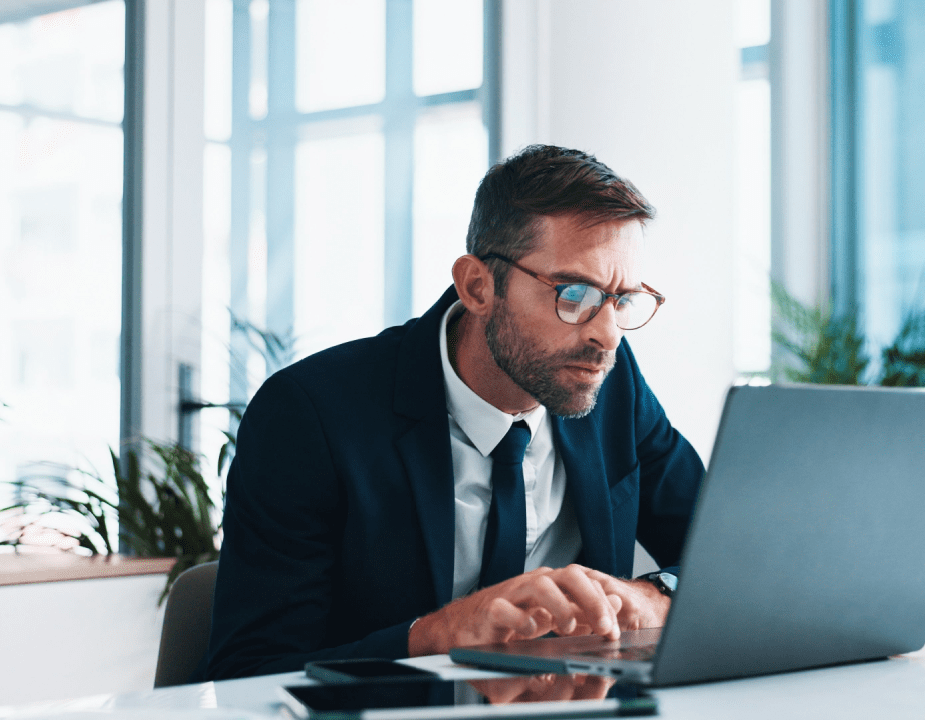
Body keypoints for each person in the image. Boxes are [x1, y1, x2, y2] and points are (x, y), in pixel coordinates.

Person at [200, 145, 705, 680]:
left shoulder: (611, 381)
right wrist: (436, 634)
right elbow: (247, 672)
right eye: (574, 294)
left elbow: (726, 555)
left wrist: (655, 597)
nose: (607, 334)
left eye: (622, 300)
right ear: (477, 287)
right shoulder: (309, 416)